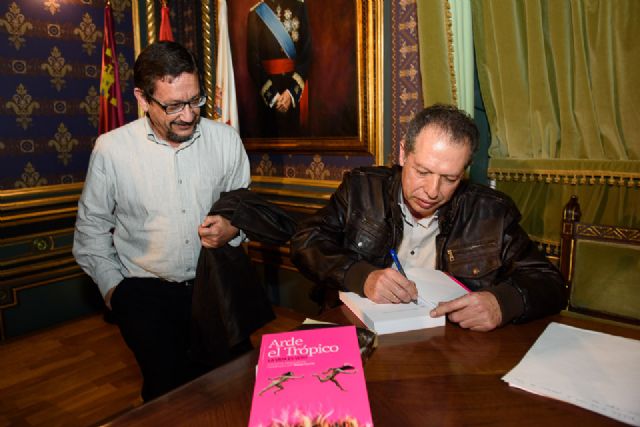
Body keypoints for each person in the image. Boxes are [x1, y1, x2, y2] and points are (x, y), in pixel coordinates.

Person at [73, 41, 251, 402]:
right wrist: (117, 294)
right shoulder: (111, 149)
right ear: (142, 98)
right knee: (168, 400)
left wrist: (233, 229)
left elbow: (245, 209)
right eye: (173, 106)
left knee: (237, 387)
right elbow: (90, 231)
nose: (188, 115)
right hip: (146, 297)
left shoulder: (226, 141)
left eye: (195, 101)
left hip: (216, 286)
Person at [290, 104, 568, 332]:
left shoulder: (490, 213)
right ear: (403, 153)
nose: (433, 191)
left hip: (448, 349)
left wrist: (503, 303)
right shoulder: (361, 189)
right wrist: (361, 276)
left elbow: (550, 282)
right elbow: (305, 242)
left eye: (450, 178)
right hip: (359, 333)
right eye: (422, 172)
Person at [247, 0, 312, 137]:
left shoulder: (299, 7)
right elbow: (253, 62)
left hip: (293, 93)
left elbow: (306, 56)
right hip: (268, 98)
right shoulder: (256, 13)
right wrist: (273, 96)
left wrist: (291, 93)